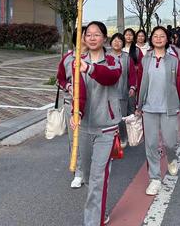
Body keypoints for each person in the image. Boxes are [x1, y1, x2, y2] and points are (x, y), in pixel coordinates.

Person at [67, 21, 122, 226]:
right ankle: (100, 209)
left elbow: (110, 77)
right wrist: (77, 112)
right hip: (85, 128)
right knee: (90, 177)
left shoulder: (113, 61)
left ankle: (92, 222)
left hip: (106, 128)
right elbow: (79, 93)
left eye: (96, 34)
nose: (91, 37)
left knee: (98, 177)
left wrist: (89, 68)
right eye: (88, 34)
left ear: (104, 38)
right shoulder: (77, 62)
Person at [136, 26, 180, 196]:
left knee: (170, 142)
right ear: (151, 39)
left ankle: (172, 158)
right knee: (151, 144)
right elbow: (141, 83)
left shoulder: (174, 60)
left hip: (169, 107)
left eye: (162, 36)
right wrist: (139, 106)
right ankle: (154, 178)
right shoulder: (145, 60)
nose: (158, 38)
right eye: (155, 36)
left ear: (167, 39)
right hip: (149, 108)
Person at [56, 28, 85, 189]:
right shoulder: (68, 58)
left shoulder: (97, 58)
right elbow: (59, 79)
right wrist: (68, 85)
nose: (86, 39)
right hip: (71, 105)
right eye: (82, 36)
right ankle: (78, 172)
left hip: (92, 106)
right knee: (75, 139)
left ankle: (90, 167)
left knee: (90, 139)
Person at [108, 32, 137, 148]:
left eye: (119, 40)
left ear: (123, 44)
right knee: (109, 119)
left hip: (122, 92)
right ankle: (110, 141)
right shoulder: (106, 57)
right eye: (114, 40)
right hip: (107, 93)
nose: (117, 42)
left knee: (121, 118)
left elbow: (132, 75)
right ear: (110, 43)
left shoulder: (126, 58)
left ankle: (123, 138)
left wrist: (132, 87)